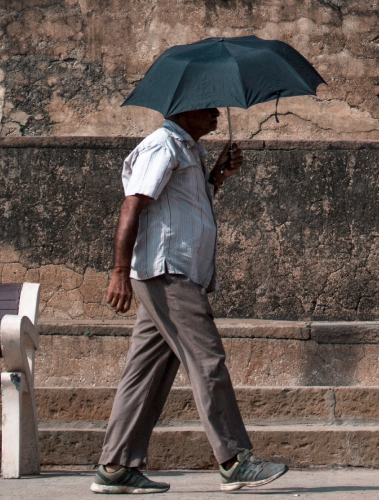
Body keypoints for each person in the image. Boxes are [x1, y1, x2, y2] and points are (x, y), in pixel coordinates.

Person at [93, 108, 287, 494]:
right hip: (169, 274)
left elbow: (185, 206)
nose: (215, 112)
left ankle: (115, 465)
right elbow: (132, 205)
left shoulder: (188, 150)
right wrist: (119, 271)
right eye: (207, 105)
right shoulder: (162, 146)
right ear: (184, 111)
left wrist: (216, 177)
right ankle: (234, 460)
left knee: (145, 372)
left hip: (175, 273)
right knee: (207, 360)